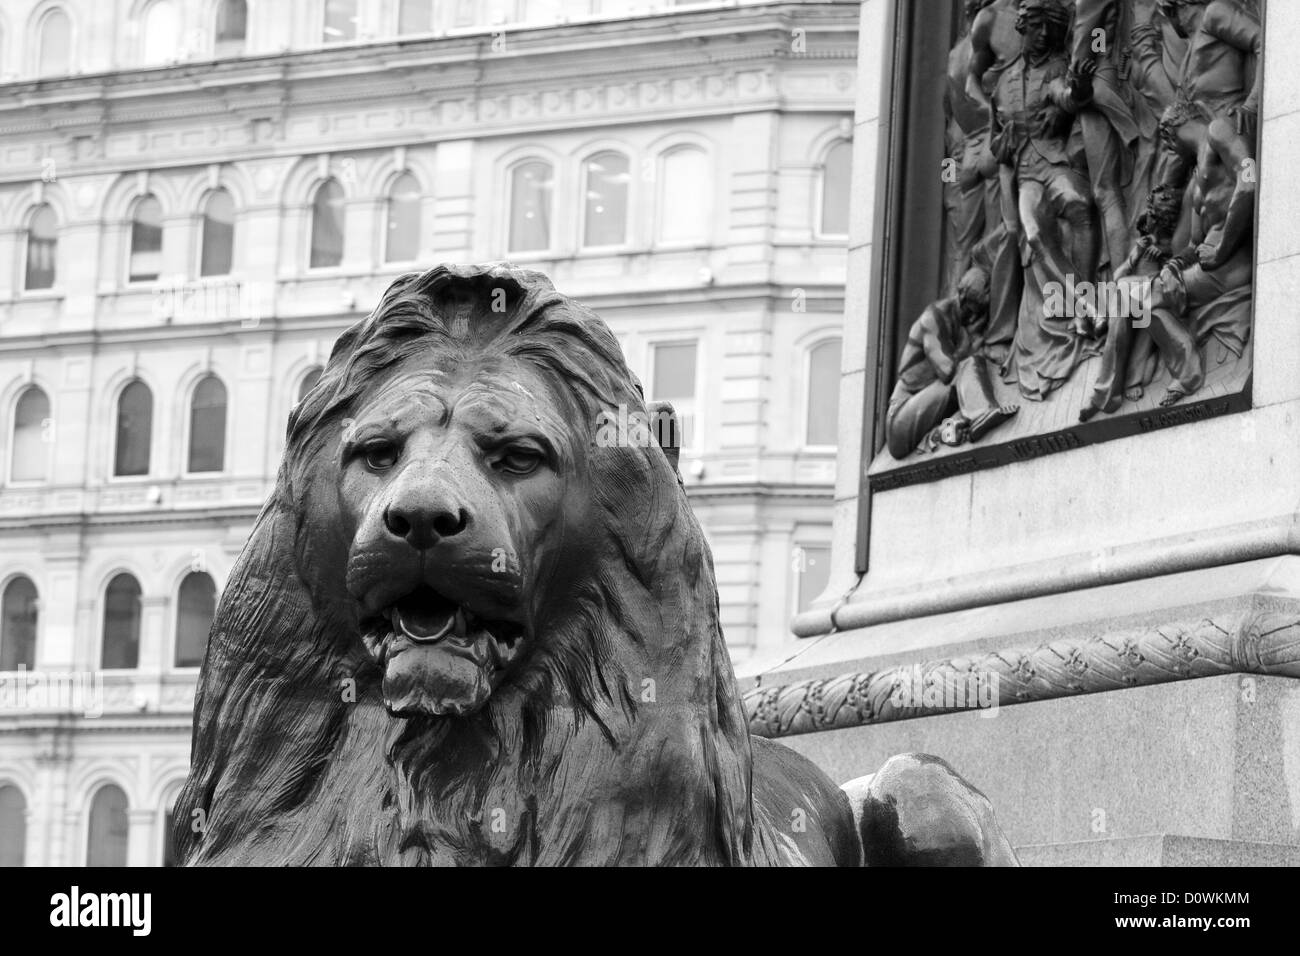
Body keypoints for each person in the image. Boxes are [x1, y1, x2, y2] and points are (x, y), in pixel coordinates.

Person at [886, 267, 1019, 459]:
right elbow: (948, 371)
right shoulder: (934, 317)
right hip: (900, 422)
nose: (975, 318)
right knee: (969, 364)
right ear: (961, 297)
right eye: (972, 311)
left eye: (981, 313)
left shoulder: (963, 323)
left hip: (930, 402)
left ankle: (960, 424)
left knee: (976, 368)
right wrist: (974, 343)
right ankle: (982, 413)